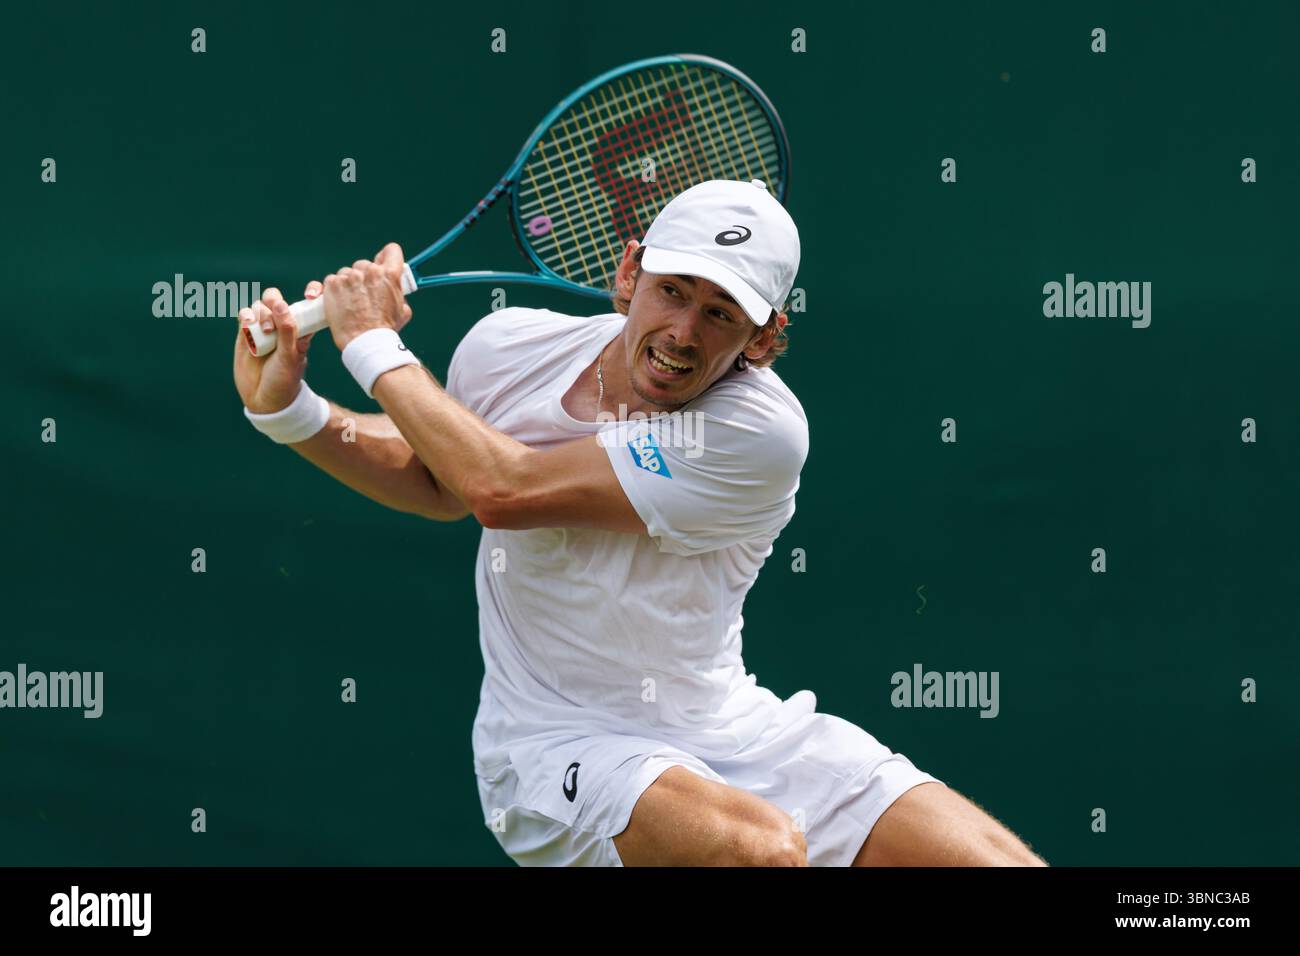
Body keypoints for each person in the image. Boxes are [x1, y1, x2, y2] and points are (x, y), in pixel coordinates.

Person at [233, 179, 1046, 867]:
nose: (683, 333)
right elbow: (441, 479)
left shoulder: (761, 435)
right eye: (673, 291)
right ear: (629, 273)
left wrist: (373, 346)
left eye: (723, 315)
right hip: (550, 746)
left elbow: (500, 489)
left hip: (731, 730)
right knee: (756, 852)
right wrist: (290, 410)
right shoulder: (504, 347)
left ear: (765, 339)